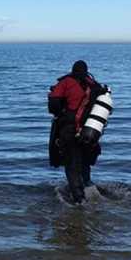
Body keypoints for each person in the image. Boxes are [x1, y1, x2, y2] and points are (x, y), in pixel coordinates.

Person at [47, 60, 110, 204]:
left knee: (71, 164)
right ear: (86, 71)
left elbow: (53, 106)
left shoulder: (66, 82)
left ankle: (78, 200)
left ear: (73, 70)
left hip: (70, 130)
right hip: (90, 130)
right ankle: (89, 188)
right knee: (84, 161)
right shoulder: (94, 85)